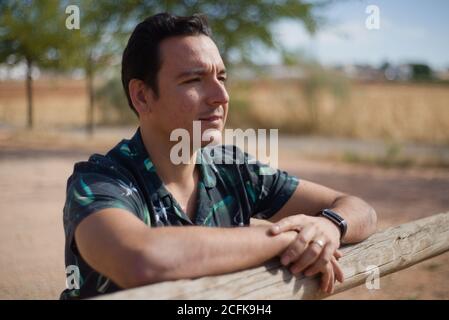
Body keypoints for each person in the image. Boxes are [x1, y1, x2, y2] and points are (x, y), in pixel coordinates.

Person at [61, 13, 377, 300]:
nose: (221, 96)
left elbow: (360, 208)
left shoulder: (233, 169)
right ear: (142, 96)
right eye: (193, 80)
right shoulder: (99, 181)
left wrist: (330, 227)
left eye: (221, 78)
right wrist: (287, 238)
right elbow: (141, 260)